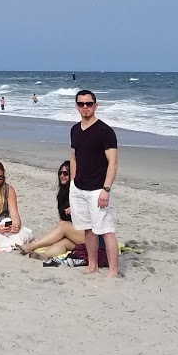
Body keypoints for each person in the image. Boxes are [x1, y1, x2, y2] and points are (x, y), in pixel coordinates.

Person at [69, 90, 120, 277]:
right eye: (81, 104)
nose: (85, 107)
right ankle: (92, 266)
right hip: (78, 188)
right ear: (76, 106)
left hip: (98, 189)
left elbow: (113, 162)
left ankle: (113, 271)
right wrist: (73, 182)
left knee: (106, 230)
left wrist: (106, 189)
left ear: (95, 105)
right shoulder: (74, 130)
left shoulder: (105, 131)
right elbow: (73, 157)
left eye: (88, 103)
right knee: (88, 230)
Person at [16, 161, 85, 260]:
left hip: (88, 236)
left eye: (66, 173)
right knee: (62, 243)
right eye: (60, 173)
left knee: (63, 226)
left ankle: (31, 247)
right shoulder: (62, 195)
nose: (62, 176)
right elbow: (62, 219)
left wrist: (75, 209)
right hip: (75, 236)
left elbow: (87, 215)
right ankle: (44, 256)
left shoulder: (80, 194)